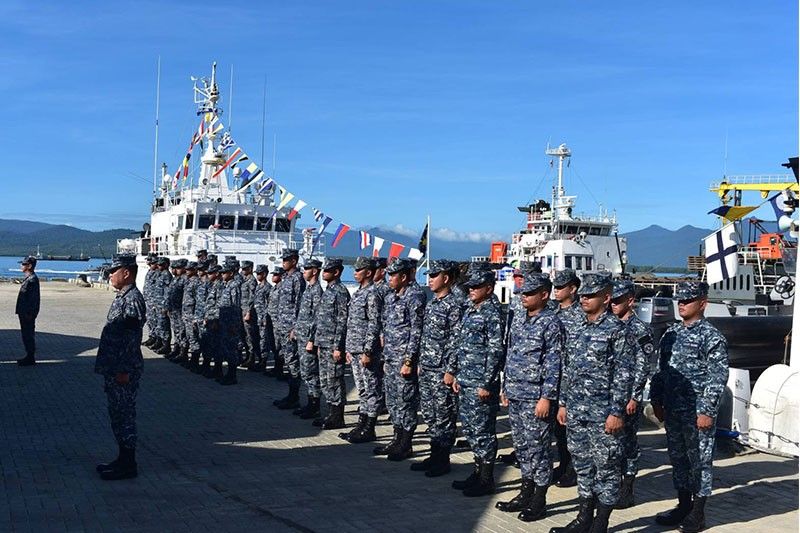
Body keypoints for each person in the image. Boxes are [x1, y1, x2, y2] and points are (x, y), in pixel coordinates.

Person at [552, 272, 631, 533]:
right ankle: (583, 518)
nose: (584, 298)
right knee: (583, 466)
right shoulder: (576, 330)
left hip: (604, 414)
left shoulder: (618, 331)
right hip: (576, 411)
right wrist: (563, 403)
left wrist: (617, 412)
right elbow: (567, 369)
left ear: (606, 298)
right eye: (582, 294)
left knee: (606, 469)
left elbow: (623, 374)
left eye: (590, 295)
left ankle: (601, 523)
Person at [650, 281, 728, 533]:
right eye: (680, 300)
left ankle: (698, 512)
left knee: (700, 462)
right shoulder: (672, 334)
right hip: (674, 410)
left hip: (697, 414)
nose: (681, 304)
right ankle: (683, 505)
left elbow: (717, 377)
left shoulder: (711, 337)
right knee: (679, 459)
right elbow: (661, 370)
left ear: (702, 304)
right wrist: (656, 399)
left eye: (687, 300)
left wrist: (707, 410)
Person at [497, 273, 563, 521]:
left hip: (535, 397)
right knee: (522, 447)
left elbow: (553, 363)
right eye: (522, 293)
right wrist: (505, 387)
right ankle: (525, 491)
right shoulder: (520, 320)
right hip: (516, 394)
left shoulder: (550, 323)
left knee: (539, 449)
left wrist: (546, 397)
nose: (523, 297)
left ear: (544, 295)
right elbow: (511, 355)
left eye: (529, 293)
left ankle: (539, 499)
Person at [450, 268, 505, 497]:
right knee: (472, 430)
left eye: (476, 287)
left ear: (489, 289)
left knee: (483, 431)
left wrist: (486, 382)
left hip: (481, 383)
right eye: (470, 287)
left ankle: (486, 479)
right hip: (466, 379)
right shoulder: (471, 310)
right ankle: (476, 470)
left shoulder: (492, 313)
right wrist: (457, 374)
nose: (471, 290)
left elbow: (495, 350)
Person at [94, 254, 146, 481]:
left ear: (126, 272)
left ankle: (128, 463)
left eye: (113, 271)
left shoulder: (132, 298)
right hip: (115, 368)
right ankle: (122, 459)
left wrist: (123, 369)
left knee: (124, 415)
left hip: (123, 370)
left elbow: (131, 338)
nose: (109, 275)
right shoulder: (122, 296)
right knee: (117, 415)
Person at [411, 259, 463, 476]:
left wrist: (451, 370)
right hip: (428, 368)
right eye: (429, 276)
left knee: (444, 415)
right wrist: (420, 363)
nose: (430, 280)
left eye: (434, 276)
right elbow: (426, 337)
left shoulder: (454, 305)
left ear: (446, 278)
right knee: (431, 415)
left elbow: (456, 339)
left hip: (442, 370)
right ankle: (434, 456)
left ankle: (443, 460)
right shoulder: (433, 304)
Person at [374, 258, 426, 462]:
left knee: (406, 401)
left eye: (393, 275)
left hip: (404, 359)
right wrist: (386, 357)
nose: (389, 279)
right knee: (394, 400)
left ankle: (406, 443)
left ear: (403, 277)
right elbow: (386, 328)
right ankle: (396, 440)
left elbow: (416, 331)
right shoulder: (391, 297)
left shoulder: (415, 296)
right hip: (391, 358)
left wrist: (409, 361)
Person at [610, 279, 654, 509]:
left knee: (628, 444)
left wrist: (635, 396)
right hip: (609, 397)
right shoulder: (608, 325)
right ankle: (611, 486)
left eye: (618, 300)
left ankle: (627, 489)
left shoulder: (639, 329)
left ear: (630, 301)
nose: (614, 304)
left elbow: (643, 365)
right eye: (612, 300)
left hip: (628, 397)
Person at [340, 257, 384, 443]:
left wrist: (367, 351)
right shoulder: (359, 292)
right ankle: (362, 424)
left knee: (371, 389)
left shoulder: (373, 293)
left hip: (366, 351)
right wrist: (350, 349)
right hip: (355, 348)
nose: (354, 273)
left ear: (368, 272)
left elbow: (374, 324)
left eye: (358, 270)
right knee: (363, 390)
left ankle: (370, 427)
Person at [550, 268, 584, 488]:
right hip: (554, 377)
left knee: (572, 429)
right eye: (555, 286)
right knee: (558, 429)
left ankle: (573, 469)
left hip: (572, 379)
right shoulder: (553, 313)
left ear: (573, 289)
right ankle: (563, 463)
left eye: (561, 287)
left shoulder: (580, 315)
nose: (556, 291)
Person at [308, 258, 350, 429]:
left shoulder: (340, 291)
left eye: (327, 270)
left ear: (336, 272)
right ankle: (330, 413)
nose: (323, 273)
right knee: (325, 380)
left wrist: (338, 346)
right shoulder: (328, 291)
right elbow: (319, 319)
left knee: (334, 379)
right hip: (323, 343)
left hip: (333, 344)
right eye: (323, 270)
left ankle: (337, 417)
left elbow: (342, 321)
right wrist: (315, 341)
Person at [287, 258, 323, 417]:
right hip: (300, 336)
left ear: (314, 271)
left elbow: (317, 318)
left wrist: (312, 340)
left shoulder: (317, 292)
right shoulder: (308, 290)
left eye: (307, 269)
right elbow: (302, 314)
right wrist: (295, 329)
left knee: (311, 372)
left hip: (308, 339)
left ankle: (314, 406)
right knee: (305, 371)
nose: (304, 272)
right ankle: (308, 403)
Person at [274, 249, 306, 405]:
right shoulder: (286, 278)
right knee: (288, 360)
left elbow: (300, 304)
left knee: (293, 362)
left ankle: (294, 397)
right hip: (282, 325)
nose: (283, 262)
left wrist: (295, 327)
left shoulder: (297, 278)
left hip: (290, 327)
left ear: (294, 261)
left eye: (286, 260)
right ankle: (291, 395)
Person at [217, 263, 242, 385]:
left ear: (231, 273)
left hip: (231, 324)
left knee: (232, 349)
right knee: (225, 348)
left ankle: (232, 375)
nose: (222, 274)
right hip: (224, 322)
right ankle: (227, 374)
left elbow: (236, 306)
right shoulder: (226, 286)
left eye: (224, 272)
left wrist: (234, 324)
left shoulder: (234, 286)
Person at [15, 255, 40, 366]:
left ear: (29, 266)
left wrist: (31, 313)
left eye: (24, 264)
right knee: (26, 334)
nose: (21, 266)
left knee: (28, 334)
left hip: (27, 313)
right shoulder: (28, 279)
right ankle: (29, 356)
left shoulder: (32, 280)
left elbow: (34, 299)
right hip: (24, 312)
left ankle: (30, 357)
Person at [202, 265, 223, 380]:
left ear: (217, 274)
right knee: (210, 344)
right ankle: (213, 368)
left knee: (216, 345)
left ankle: (218, 369)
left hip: (214, 320)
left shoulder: (219, 286)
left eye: (211, 273)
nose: (208, 275)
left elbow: (219, 305)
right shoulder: (212, 285)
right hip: (209, 319)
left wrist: (215, 319)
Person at [239, 260, 261, 370]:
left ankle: (252, 358)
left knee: (250, 336)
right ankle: (248, 356)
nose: (242, 271)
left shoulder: (252, 280)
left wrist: (248, 312)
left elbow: (252, 297)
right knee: (245, 336)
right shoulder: (244, 280)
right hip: (242, 311)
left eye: (245, 269)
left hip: (248, 312)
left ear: (250, 269)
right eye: (242, 269)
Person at [179, 261, 200, 368]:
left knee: (193, 337)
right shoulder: (188, 281)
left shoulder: (196, 282)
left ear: (194, 270)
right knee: (188, 336)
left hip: (191, 314)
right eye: (186, 269)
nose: (186, 271)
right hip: (186, 314)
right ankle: (187, 357)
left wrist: (195, 317)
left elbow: (198, 300)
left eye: (189, 269)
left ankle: (195, 360)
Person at [264, 266, 284, 378]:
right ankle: (276, 368)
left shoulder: (282, 289)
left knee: (279, 346)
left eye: (276, 275)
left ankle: (279, 369)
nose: (273, 277)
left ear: (281, 276)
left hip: (278, 321)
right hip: (271, 320)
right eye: (273, 274)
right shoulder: (274, 288)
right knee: (273, 345)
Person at [165, 259, 187, 361]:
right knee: (176, 330)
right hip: (174, 309)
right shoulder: (175, 279)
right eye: (173, 268)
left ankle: (183, 352)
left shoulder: (184, 279)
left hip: (181, 310)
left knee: (182, 331)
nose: (174, 270)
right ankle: (176, 349)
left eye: (177, 268)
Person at [153, 257, 173, 355]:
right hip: (158, 303)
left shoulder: (167, 275)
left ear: (166, 265)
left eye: (161, 264)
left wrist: (166, 306)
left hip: (163, 305)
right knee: (159, 325)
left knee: (164, 325)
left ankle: (166, 345)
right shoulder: (160, 274)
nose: (159, 266)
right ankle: (160, 342)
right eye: (158, 264)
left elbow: (168, 292)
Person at [142, 255, 160, 348]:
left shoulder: (157, 273)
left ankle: (157, 338)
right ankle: (152, 336)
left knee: (155, 320)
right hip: (148, 300)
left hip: (154, 301)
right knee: (150, 320)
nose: (149, 263)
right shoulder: (150, 271)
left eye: (151, 262)